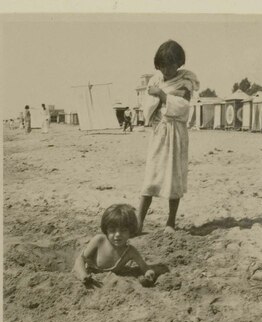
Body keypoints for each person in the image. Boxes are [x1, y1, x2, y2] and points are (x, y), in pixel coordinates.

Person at [137, 40, 199, 234]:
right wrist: (156, 97)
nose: (166, 69)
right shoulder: (155, 80)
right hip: (159, 132)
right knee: (151, 177)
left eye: (170, 65)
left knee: (174, 176)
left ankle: (171, 222)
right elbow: (147, 104)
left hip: (176, 133)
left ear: (179, 63)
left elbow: (182, 106)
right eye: (162, 65)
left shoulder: (185, 81)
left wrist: (162, 96)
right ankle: (139, 222)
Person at [73, 204, 155, 287]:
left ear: (130, 231)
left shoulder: (130, 251)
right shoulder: (99, 240)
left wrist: (149, 274)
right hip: (88, 275)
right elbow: (80, 259)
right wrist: (83, 275)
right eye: (112, 230)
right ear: (106, 230)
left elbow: (145, 267)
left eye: (123, 230)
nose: (118, 234)